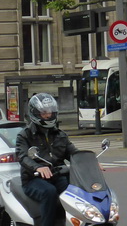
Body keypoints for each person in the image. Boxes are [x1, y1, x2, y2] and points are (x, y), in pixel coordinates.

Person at [16, 93, 78, 226]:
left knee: (73, 191)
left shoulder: (60, 134)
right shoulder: (24, 135)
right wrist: (37, 167)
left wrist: (90, 162)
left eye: (50, 112)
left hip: (57, 176)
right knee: (49, 192)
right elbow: (23, 156)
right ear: (35, 113)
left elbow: (73, 153)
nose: (48, 115)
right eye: (44, 113)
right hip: (33, 179)